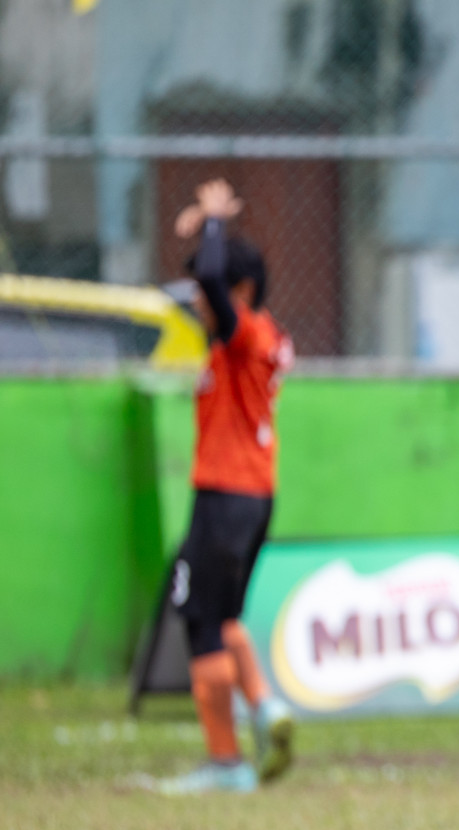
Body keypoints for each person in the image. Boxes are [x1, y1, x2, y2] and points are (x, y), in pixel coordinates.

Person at [156, 179, 296, 795]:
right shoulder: (256, 339)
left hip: (225, 494)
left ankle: (224, 763)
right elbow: (209, 279)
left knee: (201, 622)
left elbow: (213, 279)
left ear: (239, 292)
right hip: (252, 495)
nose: (196, 297)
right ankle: (266, 710)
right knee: (228, 615)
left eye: (207, 290)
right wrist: (202, 234)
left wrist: (213, 220)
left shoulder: (244, 337)